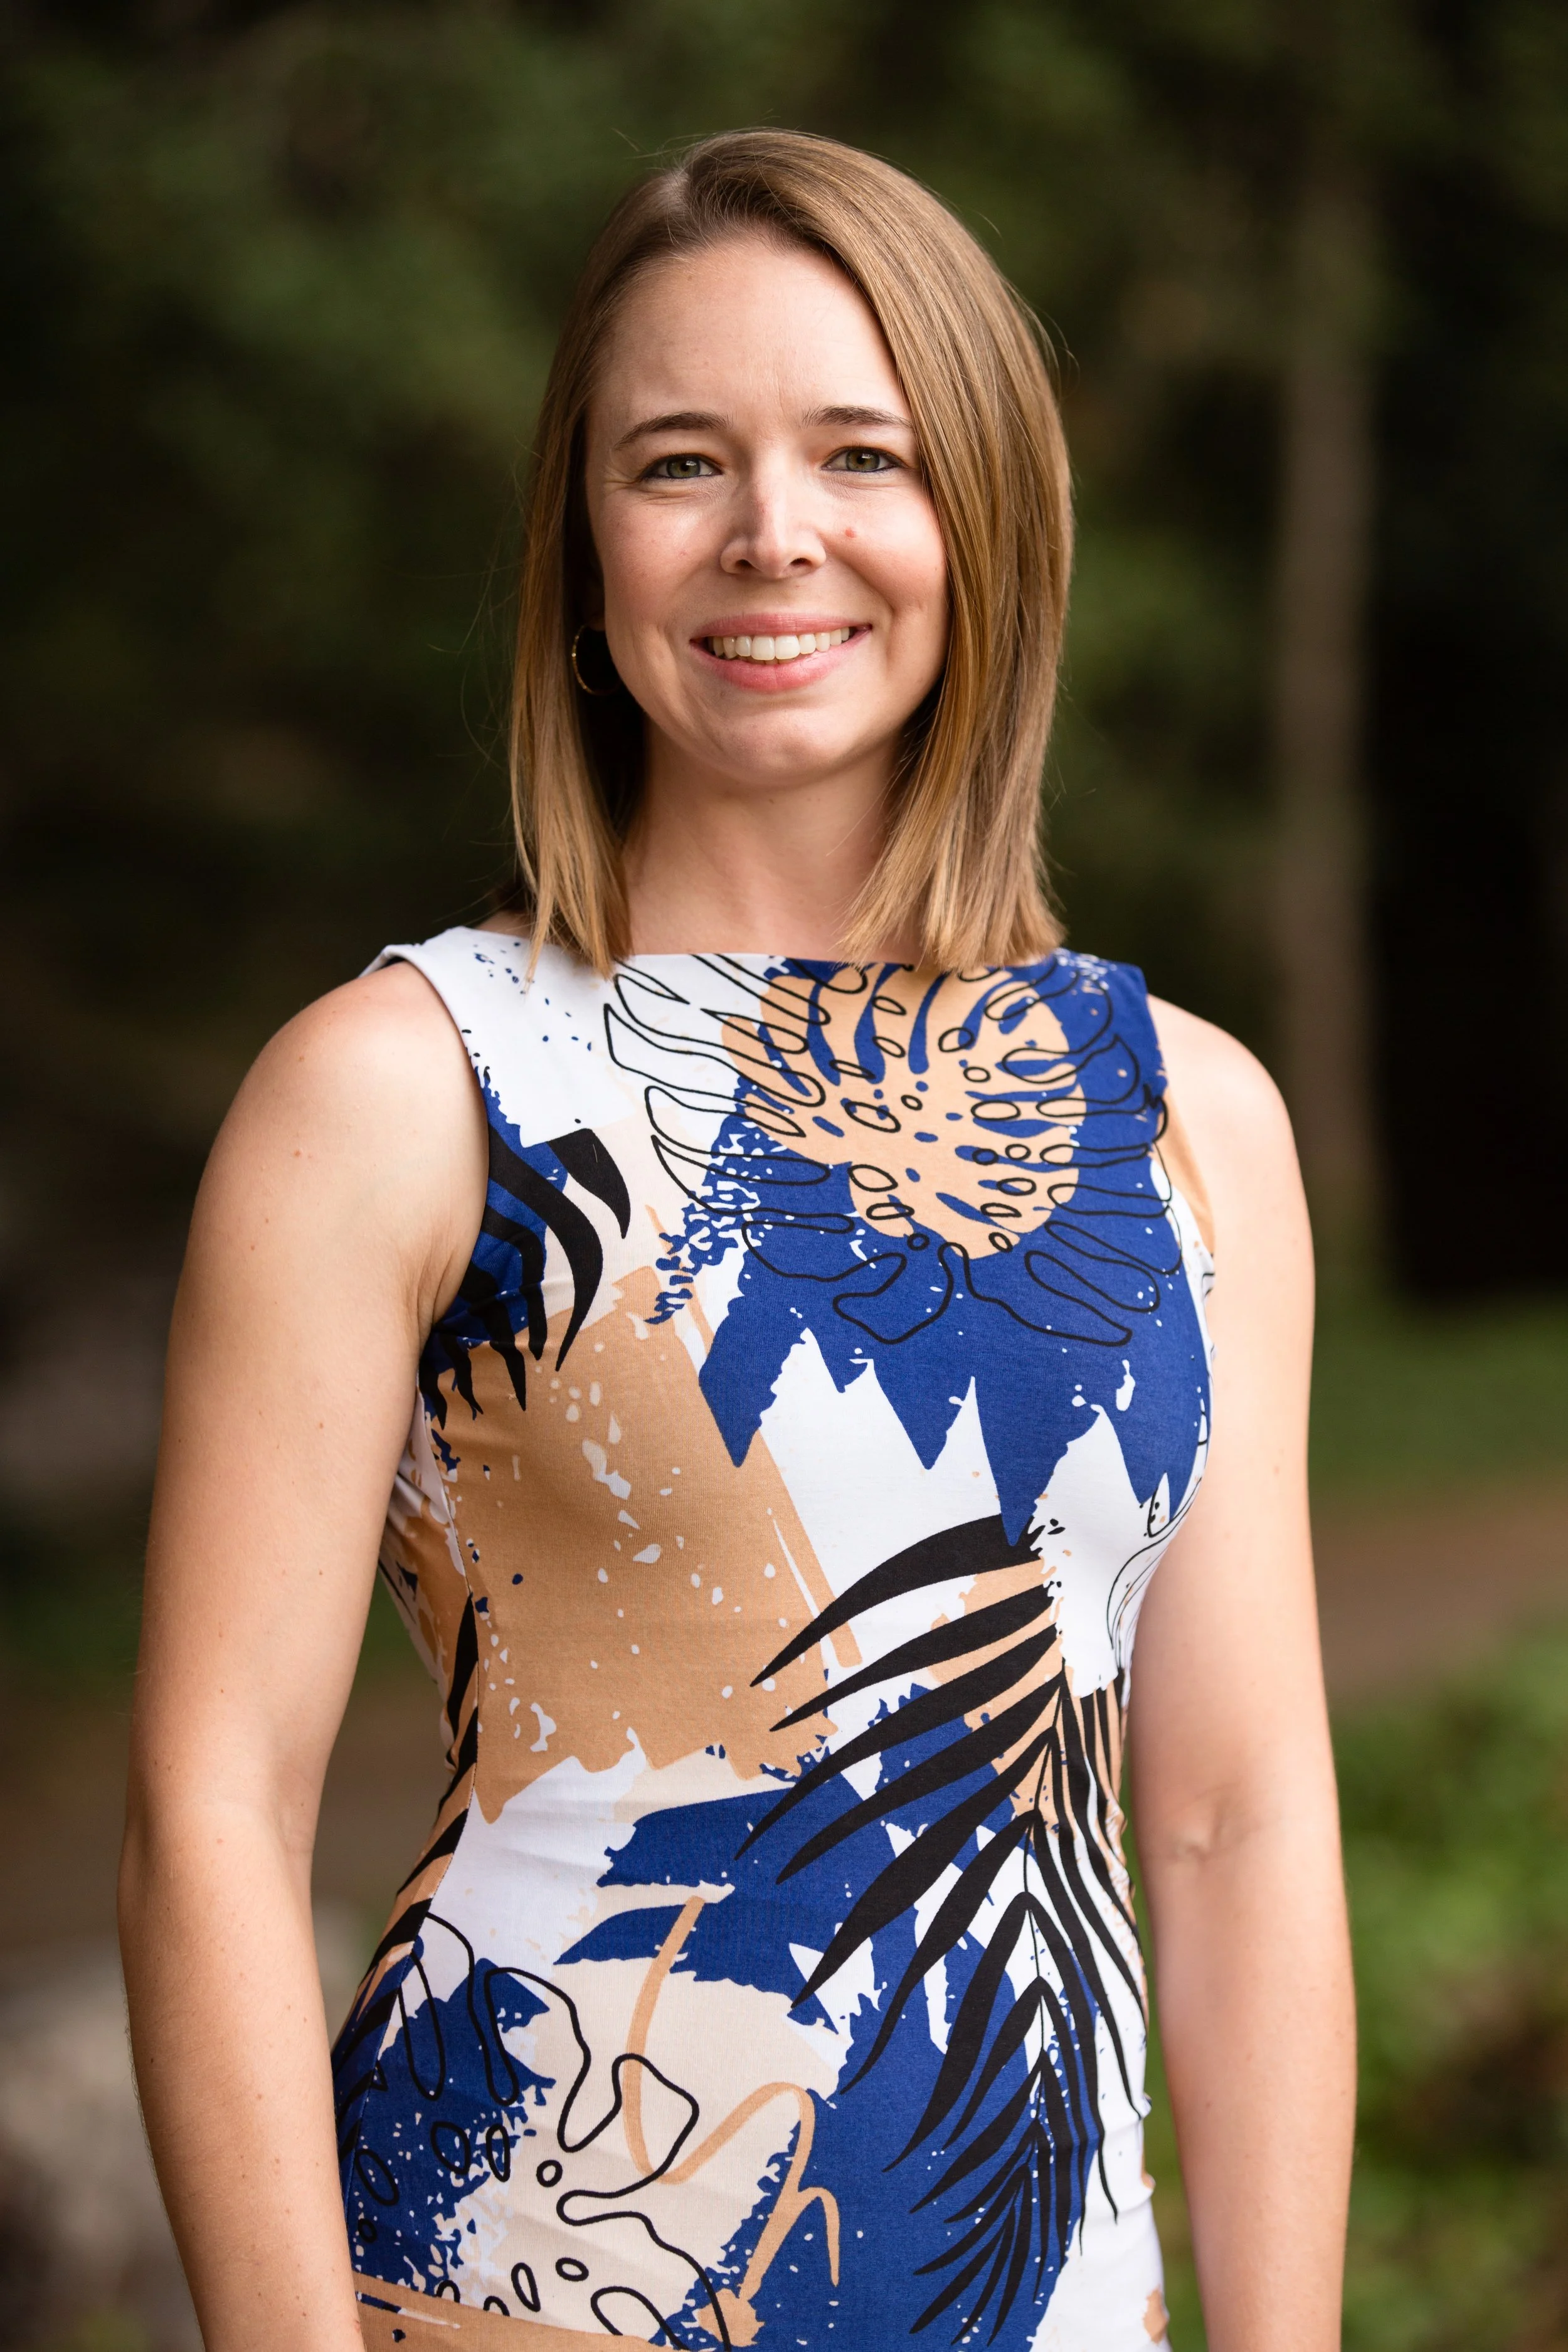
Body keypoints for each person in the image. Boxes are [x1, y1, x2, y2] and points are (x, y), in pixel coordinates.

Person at [120, 130, 1354, 2352]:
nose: (772, 533)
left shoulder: (1190, 1122)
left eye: (858, 453)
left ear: (982, 514)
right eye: (678, 461)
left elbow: (1238, 1828)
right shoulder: (405, 1088)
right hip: (518, 2284)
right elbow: (208, 1809)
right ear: (582, 550)